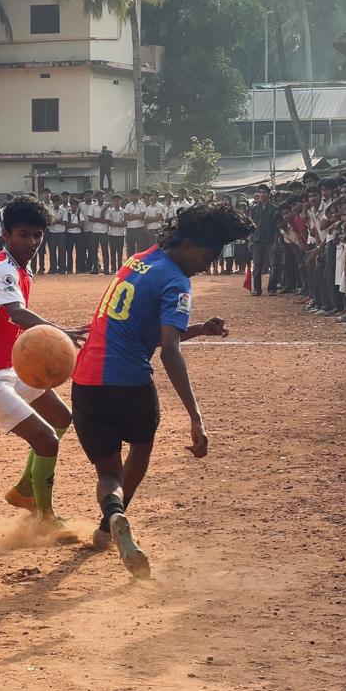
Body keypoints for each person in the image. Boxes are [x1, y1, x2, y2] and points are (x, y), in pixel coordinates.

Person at [71, 202, 254, 576]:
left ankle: (111, 518)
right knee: (140, 448)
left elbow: (141, 331)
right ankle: (110, 524)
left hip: (86, 381)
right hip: (131, 383)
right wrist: (195, 416)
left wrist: (198, 329)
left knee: (108, 473)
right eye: (206, 258)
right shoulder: (177, 282)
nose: (206, 266)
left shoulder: (137, 260)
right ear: (187, 244)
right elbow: (169, 349)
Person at [0, 196, 88, 536]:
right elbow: (17, 314)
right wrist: (61, 332)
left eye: (37, 235)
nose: (32, 242)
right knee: (47, 441)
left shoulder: (21, 267)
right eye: (23, 235)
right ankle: (44, 517)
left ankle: (25, 490)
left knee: (61, 418)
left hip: (7, 367)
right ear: (6, 234)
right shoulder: (0, 269)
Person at [249, 184, 279, 296]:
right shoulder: (254, 209)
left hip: (270, 240)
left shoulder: (274, 209)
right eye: (260, 192)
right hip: (257, 240)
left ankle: (272, 288)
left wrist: (276, 243)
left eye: (264, 192)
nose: (262, 194)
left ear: (269, 194)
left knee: (273, 265)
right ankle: (257, 289)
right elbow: (251, 226)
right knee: (257, 266)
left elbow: (276, 228)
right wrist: (250, 240)